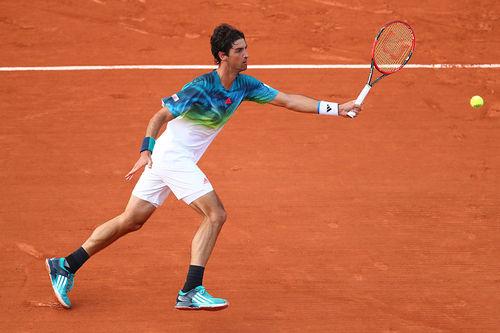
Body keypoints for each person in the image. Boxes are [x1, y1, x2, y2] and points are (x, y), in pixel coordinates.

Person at [45, 23, 361, 311]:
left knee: (132, 220)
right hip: (170, 157)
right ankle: (190, 290)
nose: (247, 55)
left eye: (246, 48)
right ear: (222, 56)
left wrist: (336, 108)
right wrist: (145, 150)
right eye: (239, 51)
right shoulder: (200, 87)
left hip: (172, 159)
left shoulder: (245, 85)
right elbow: (158, 117)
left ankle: (65, 265)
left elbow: (288, 100)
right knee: (216, 214)